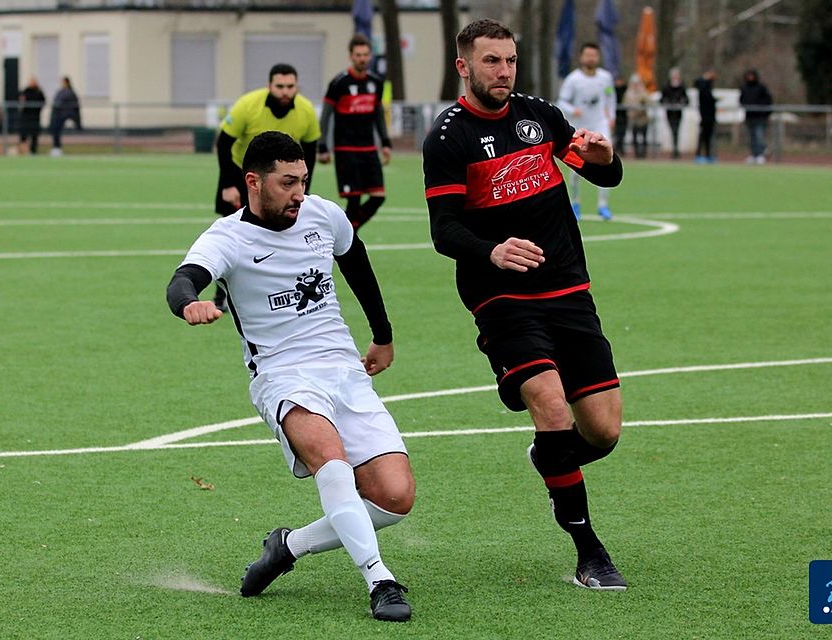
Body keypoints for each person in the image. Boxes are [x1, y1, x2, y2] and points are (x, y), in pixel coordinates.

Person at [167, 131, 414, 622]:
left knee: (394, 497)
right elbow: (184, 278)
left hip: (343, 368)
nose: (299, 193)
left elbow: (357, 262)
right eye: (287, 183)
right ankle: (379, 579)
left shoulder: (323, 214)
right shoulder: (227, 237)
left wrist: (382, 334)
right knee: (331, 458)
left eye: (303, 180)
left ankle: (289, 546)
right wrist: (189, 304)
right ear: (253, 183)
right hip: (281, 376)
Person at [423, 19, 628, 591]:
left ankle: (553, 459)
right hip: (502, 298)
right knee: (551, 406)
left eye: (510, 61)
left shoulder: (540, 116)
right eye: (492, 61)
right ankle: (590, 551)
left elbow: (600, 173)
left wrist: (606, 159)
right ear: (464, 66)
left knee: (604, 432)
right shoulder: (447, 138)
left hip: (568, 290)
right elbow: (444, 231)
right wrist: (493, 251)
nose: (504, 72)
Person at [213, 63, 321, 311]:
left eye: (290, 86)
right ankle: (222, 295)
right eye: (280, 86)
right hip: (243, 176)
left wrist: (302, 188)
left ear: (297, 87)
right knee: (232, 239)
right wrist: (229, 184)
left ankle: (278, 291)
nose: (285, 91)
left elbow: (311, 152)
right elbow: (224, 144)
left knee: (281, 235)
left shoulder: (305, 110)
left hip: (283, 182)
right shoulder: (248, 105)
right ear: (269, 86)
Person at [318, 34, 392, 232]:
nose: (362, 58)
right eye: (358, 54)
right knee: (354, 200)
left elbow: (378, 115)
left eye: (366, 54)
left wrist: (385, 143)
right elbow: (326, 116)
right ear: (351, 56)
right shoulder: (339, 83)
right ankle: (349, 238)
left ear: (370, 57)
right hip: (346, 150)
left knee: (378, 196)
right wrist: (323, 145)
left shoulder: (376, 82)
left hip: (368, 149)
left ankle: (347, 231)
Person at [557, 42, 615, 220]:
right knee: (576, 167)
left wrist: (611, 116)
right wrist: (573, 110)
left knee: (606, 163)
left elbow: (610, 96)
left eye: (594, 55)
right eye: (588, 55)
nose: (591, 58)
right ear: (581, 57)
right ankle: (575, 203)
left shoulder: (605, 78)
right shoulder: (573, 79)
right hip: (580, 129)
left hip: (600, 125)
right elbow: (562, 101)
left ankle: (603, 205)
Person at [739, 68, 772, 164]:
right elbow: (741, 100)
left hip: (760, 117)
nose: (750, 77)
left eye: (752, 75)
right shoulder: (744, 88)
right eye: (748, 76)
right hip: (749, 116)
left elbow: (768, 101)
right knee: (752, 137)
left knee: (759, 136)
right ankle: (754, 155)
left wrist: (763, 111)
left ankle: (760, 155)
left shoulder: (761, 88)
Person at [49, 76, 81, 156]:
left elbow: (69, 104)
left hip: (63, 114)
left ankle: (57, 148)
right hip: (58, 114)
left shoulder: (69, 92)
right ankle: (56, 148)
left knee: (57, 130)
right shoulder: (62, 91)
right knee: (55, 131)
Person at [660, 67, 688, 159]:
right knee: (673, 130)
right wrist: (667, 102)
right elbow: (662, 99)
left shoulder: (682, 87)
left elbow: (686, 99)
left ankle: (676, 150)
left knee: (676, 131)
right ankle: (674, 149)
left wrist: (681, 103)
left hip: (678, 112)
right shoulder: (667, 87)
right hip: (670, 112)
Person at [623, 73, 651, 159]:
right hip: (633, 119)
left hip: (642, 119)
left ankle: (644, 154)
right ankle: (636, 154)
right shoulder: (628, 93)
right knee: (634, 137)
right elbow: (625, 104)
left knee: (644, 137)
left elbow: (648, 102)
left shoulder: (643, 92)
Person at [694, 69, 718, 163]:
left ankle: (708, 155)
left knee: (708, 137)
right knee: (703, 136)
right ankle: (699, 155)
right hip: (705, 115)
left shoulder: (708, 86)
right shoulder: (702, 85)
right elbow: (698, 84)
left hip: (710, 116)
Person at [18, 77, 46, 155]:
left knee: (34, 135)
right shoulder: (25, 91)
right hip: (26, 117)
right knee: (23, 134)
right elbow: (21, 101)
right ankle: (22, 150)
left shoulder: (39, 91)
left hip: (35, 117)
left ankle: (33, 151)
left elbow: (43, 101)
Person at [612, 75, 628, 156]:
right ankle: (616, 149)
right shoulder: (612, 89)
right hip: (615, 116)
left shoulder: (625, 89)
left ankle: (620, 149)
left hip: (623, 116)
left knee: (622, 133)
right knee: (615, 134)